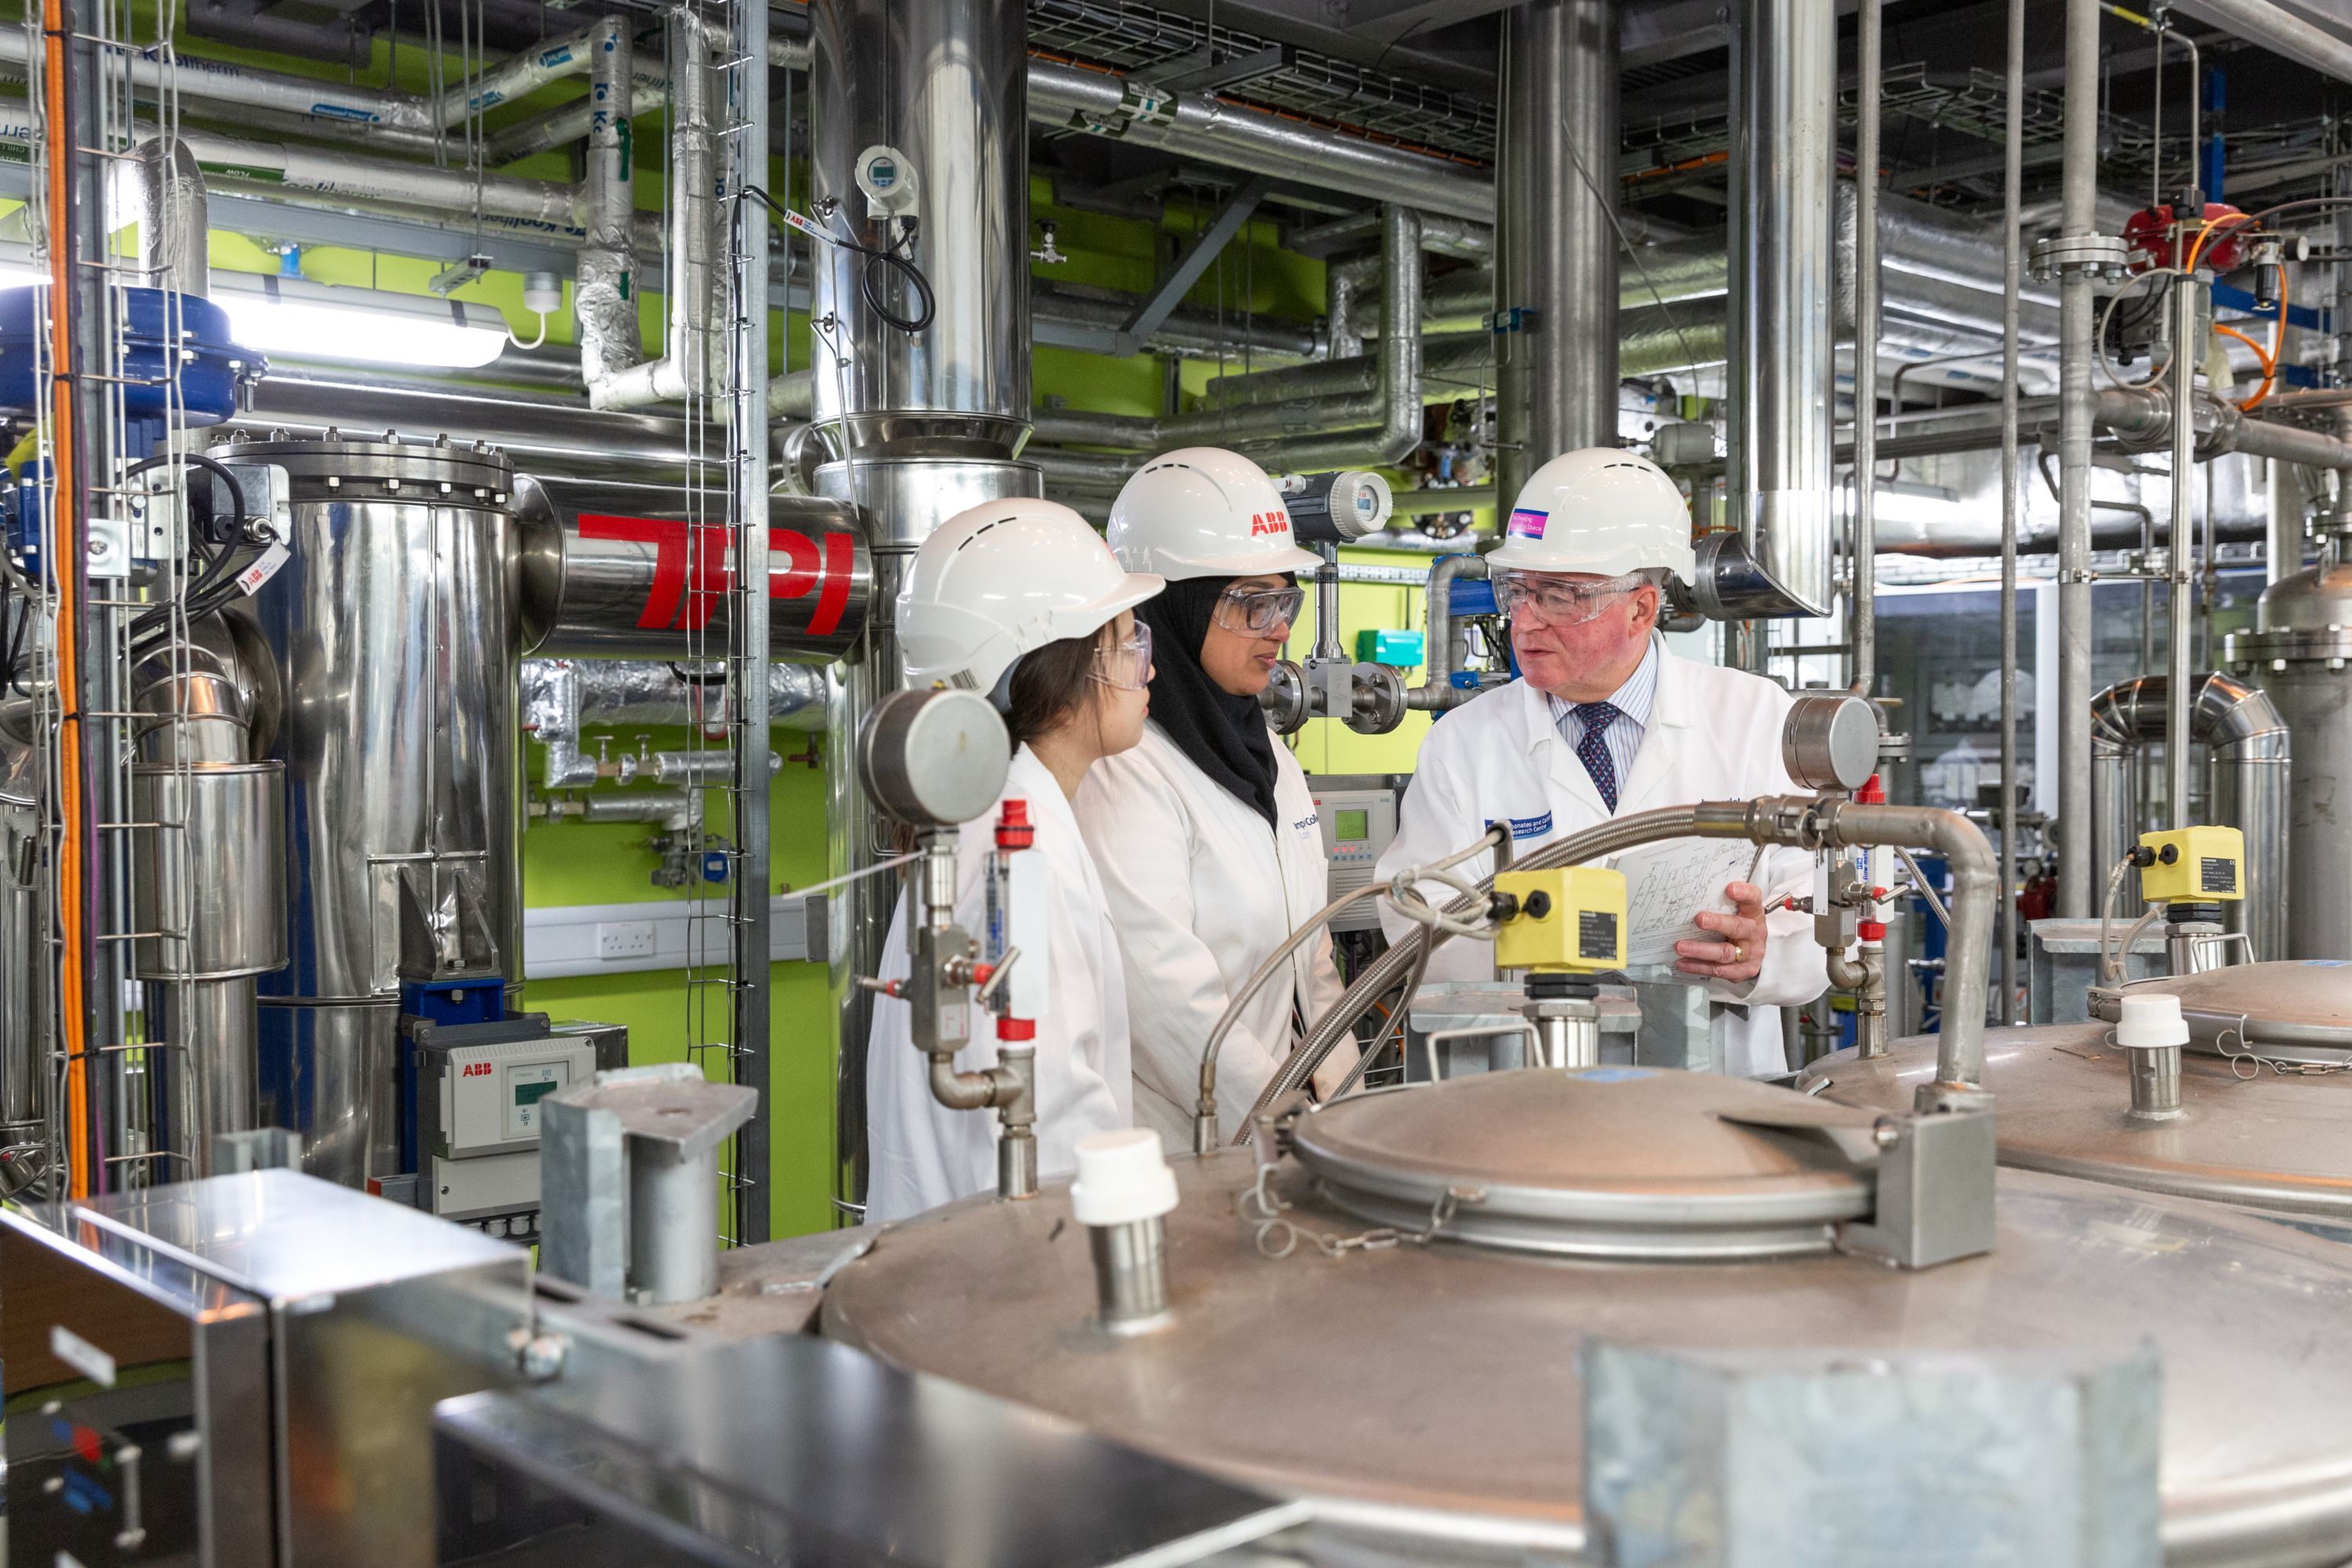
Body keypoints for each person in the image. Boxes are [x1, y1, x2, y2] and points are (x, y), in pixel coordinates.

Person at [1373, 448, 1825, 1076]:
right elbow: (1414, 922)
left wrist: (1762, 956)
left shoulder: (1756, 718)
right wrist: (1554, 967)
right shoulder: (1465, 742)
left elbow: (1830, 909)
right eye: (1517, 590)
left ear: (1641, 607)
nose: (1524, 621)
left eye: (1560, 596)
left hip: (1713, 1099)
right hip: (1533, 1093)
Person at [865, 498, 1163, 1222]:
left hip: (957, 1262)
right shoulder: (1020, 852)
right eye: (1126, 640)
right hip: (1009, 1277)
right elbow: (1050, 1131)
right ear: (1061, 664)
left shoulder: (986, 818)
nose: (1145, 667)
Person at [1074, 448, 1356, 1150]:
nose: (1281, 627)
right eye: (1251, 603)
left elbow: (1312, 959)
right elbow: (1169, 1002)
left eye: (1284, 599)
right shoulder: (1126, 768)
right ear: (1179, 609)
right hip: (1190, 1145)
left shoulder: (1269, 756)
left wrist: (1348, 1101)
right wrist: (1283, 1124)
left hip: (1293, 1126)